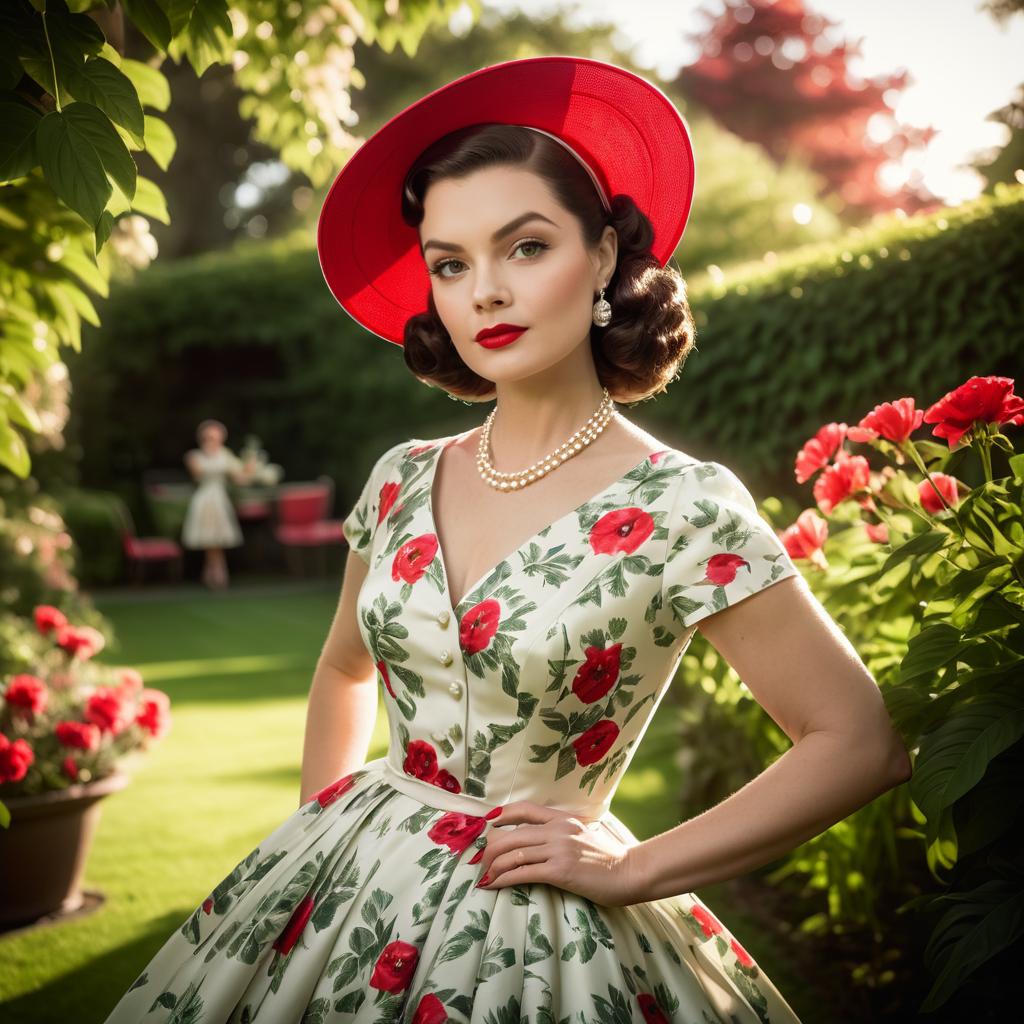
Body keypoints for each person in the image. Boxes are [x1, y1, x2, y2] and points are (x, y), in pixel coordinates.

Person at [102, 57, 912, 1023]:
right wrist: (317, 841)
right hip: (346, 881)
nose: (484, 291)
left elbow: (859, 742)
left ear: (605, 255)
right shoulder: (401, 475)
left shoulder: (684, 508)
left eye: (524, 248)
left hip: (539, 937)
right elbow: (343, 668)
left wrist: (634, 866)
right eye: (450, 263)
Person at [181, 419, 252, 590]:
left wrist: (251, 469)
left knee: (216, 540)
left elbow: (240, 478)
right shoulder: (194, 456)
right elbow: (197, 472)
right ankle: (216, 575)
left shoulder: (225, 455)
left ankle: (215, 575)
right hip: (205, 499)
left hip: (220, 499)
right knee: (209, 540)